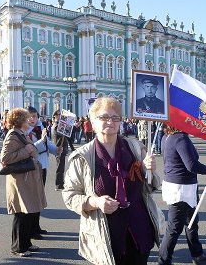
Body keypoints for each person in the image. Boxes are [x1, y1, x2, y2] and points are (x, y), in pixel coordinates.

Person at [62, 97, 162, 265]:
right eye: (104, 117)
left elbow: (151, 187)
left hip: (139, 230)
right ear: (92, 122)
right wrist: (95, 202)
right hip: (105, 237)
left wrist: (148, 171)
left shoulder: (135, 148)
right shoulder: (82, 157)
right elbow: (70, 196)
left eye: (116, 117)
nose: (111, 121)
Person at [158, 126, 206, 265]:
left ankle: (197, 253)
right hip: (181, 189)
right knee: (174, 227)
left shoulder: (167, 137)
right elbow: (191, 165)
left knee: (192, 221)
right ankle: (163, 261)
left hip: (180, 185)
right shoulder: (180, 138)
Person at [0, 108, 47, 257]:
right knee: (21, 214)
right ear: (20, 121)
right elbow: (5, 158)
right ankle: (18, 247)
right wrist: (26, 150)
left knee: (27, 213)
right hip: (20, 180)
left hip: (25, 180)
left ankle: (26, 243)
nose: (30, 121)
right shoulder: (13, 135)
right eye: (27, 119)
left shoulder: (20, 134)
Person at [26, 106, 63, 239]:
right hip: (32, 168)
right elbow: (30, 149)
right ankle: (31, 229)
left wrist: (56, 149)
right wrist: (42, 140)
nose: (32, 119)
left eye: (34, 116)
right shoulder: (24, 132)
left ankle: (36, 226)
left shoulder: (40, 128)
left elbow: (46, 144)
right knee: (33, 199)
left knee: (39, 198)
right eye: (29, 116)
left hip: (43, 167)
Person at [51, 110, 68, 191]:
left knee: (61, 166)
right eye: (59, 114)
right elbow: (63, 134)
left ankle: (60, 183)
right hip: (59, 148)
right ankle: (59, 185)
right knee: (60, 167)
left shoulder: (57, 124)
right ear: (55, 116)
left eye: (61, 114)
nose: (61, 116)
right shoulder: (57, 125)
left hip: (59, 147)